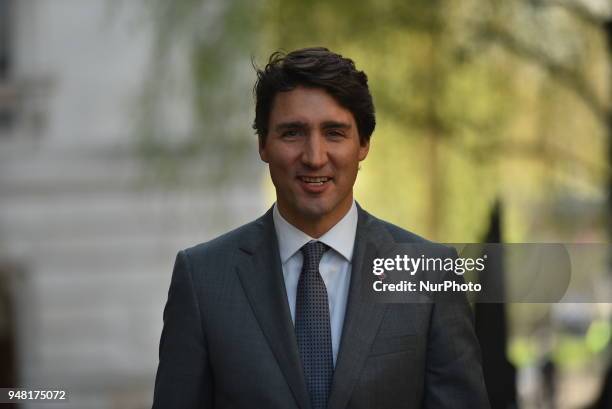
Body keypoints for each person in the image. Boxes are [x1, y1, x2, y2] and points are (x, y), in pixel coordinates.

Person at [152, 47, 490, 409]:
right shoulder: (203, 279)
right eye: (293, 133)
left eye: (334, 132)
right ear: (263, 144)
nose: (314, 156)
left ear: (363, 144)